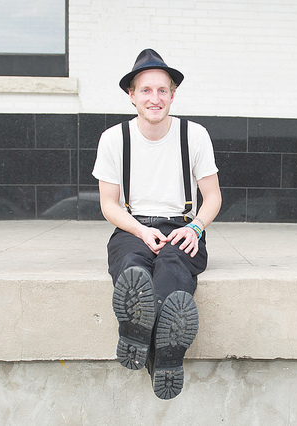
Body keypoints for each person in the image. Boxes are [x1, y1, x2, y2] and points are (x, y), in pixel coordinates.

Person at [92, 49, 222, 399]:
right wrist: (139, 230)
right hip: (133, 226)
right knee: (132, 263)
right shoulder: (114, 139)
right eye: (146, 90)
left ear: (172, 95)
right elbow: (109, 204)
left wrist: (196, 227)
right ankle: (163, 355)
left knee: (173, 264)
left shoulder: (194, 135)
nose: (155, 98)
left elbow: (213, 197)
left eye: (162, 90)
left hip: (182, 225)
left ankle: (148, 341)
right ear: (132, 95)